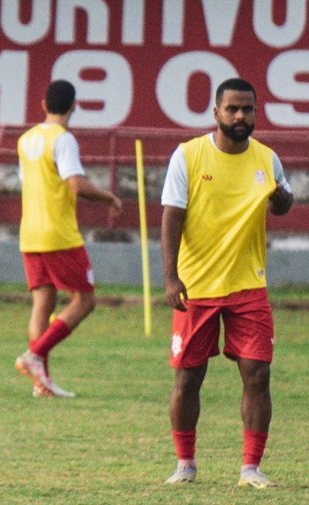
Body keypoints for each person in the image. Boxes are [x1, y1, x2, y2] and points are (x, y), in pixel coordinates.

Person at [161, 78, 293, 488]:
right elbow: (171, 215)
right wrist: (170, 275)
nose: (240, 116)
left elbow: (284, 199)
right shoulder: (188, 156)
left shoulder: (267, 159)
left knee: (258, 374)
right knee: (188, 377)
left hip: (248, 285)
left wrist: (282, 199)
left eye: (247, 109)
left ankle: (251, 468)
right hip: (197, 286)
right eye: (232, 109)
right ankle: (186, 463)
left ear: (256, 113)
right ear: (216, 112)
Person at [14, 80, 123, 398]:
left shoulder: (26, 139)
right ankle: (35, 356)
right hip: (58, 234)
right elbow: (75, 184)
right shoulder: (63, 140)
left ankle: (41, 381)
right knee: (85, 300)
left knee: (43, 301)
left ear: (43, 104)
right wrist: (109, 198)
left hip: (30, 232)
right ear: (74, 106)